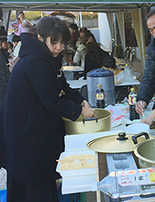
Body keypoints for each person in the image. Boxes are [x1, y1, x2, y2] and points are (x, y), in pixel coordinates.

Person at [0, 16, 96, 202]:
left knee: (40, 186)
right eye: (54, 42)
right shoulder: (36, 62)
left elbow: (64, 88)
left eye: (62, 42)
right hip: (25, 139)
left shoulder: (46, 58)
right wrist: (80, 111)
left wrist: (82, 101)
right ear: (40, 38)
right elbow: (52, 101)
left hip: (32, 135)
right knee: (33, 190)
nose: (59, 47)